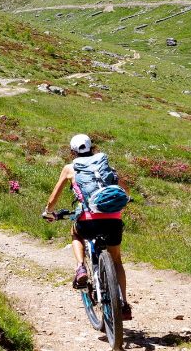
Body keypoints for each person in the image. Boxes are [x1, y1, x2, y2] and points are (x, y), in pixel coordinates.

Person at [42, 133, 131, 321]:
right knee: (117, 261)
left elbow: (53, 198)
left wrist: (48, 211)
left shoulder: (70, 168)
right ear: (93, 147)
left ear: (72, 151)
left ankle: (80, 267)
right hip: (113, 219)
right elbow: (125, 190)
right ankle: (122, 304)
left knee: (76, 233)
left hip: (88, 220)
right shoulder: (105, 165)